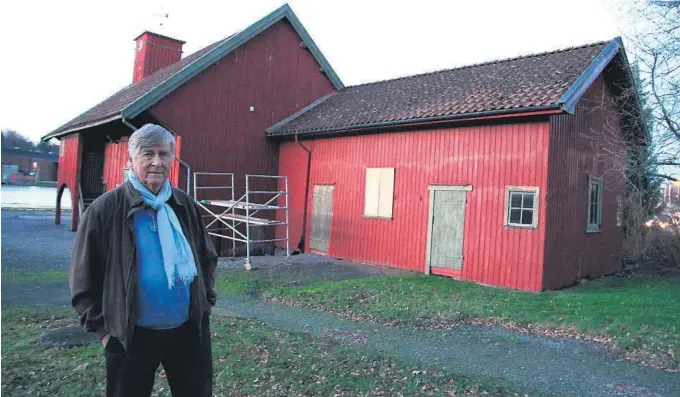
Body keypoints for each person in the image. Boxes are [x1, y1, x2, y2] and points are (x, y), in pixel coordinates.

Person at [69, 123, 218, 397]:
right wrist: (105, 334)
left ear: (173, 158)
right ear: (131, 159)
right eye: (148, 154)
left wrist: (205, 303)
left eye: (164, 154)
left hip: (187, 332)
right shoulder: (105, 210)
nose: (157, 163)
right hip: (129, 337)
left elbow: (207, 258)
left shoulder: (184, 206)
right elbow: (83, 277)